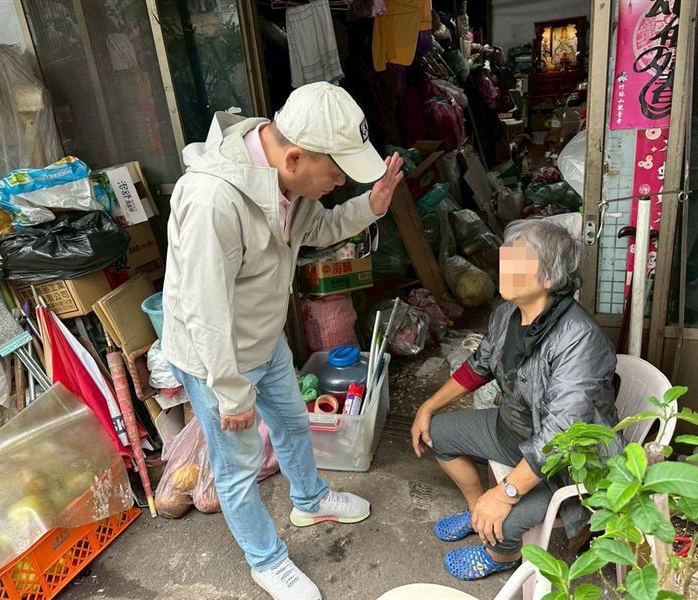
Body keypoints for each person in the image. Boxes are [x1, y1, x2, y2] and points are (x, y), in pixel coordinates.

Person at [162, 82, 404, 600]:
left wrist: (372, 204)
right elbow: (204, 312)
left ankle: (310, 500)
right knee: (237, 466)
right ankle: (266, 560)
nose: (338, 183)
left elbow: (318, 228)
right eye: (336, 173)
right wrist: (230, 392)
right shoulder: (213, 200)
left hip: (263, 338)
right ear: (295, 156)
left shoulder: (286, 180)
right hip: (216, 358)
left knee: (294, 424)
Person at [410, 220, 623, 580]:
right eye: (506, 258)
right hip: (513, 430)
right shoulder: (506, 313)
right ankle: (478, 509)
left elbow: (559, 436)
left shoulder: (579, 339)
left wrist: (506, 493)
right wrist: (427, 407)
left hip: (564, 464)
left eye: (519, 261)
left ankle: (502, 554)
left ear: (549, 278)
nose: (505, 267)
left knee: (507, 521)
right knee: (437, 432)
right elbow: (479, 367)